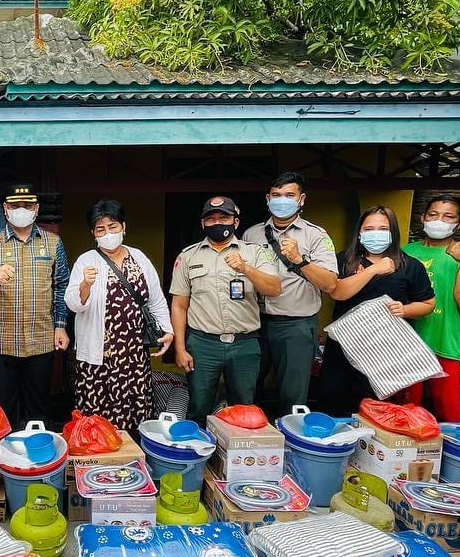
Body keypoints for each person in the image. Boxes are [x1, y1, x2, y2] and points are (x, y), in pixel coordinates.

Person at [0, 184, 71, 424]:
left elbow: (62, 285)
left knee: (39, 407)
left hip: (41, 340)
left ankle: (37, 456)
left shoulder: (53, 243)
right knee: (4, 408)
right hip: (2, 342)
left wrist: (61, 324)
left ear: (36, 209)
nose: (20, 210)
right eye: (14, 206)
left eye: (27, 206)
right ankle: (7, 458)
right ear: (5, 209)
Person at [65, 200, 174, 431]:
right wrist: (85, 284)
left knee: (136, 411)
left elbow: (155, 299)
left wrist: (168, 330)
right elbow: (73, 303)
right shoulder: (86, 260)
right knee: (96, 415)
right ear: (93, 233)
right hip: (98, 356)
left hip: (133, 354)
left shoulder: (139, 258)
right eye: (100, 229)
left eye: (112, 226)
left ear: (123, 227)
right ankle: (99, 460)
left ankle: (132, 456)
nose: (107, 233)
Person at [314, 206, 436, 412]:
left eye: (383, 228)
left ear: (393, 233)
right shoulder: (344, 260)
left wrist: (405, 310)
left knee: (374, 408)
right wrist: (372, 270)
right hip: (343, 346)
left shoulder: (411, 266)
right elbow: (337, 292)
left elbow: (428, 303)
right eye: (369, 229)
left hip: (383, 351)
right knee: (333, 400)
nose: (376, 234)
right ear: (359, 233)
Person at [170, 197, 283, 419]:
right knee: (199, 408)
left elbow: (274, 288)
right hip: (202, 345)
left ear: (236, 222)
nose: (217, 223)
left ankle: (236, 454)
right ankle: (199, 451)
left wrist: (245, 268)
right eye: (210, 219)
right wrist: (180, 349)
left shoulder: (256, 253)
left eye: (224, 217)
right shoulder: (188, 256)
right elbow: (179, 305)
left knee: (243, 410)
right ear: (203, 224)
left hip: (244, 344)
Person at [241, 173, 340, 407]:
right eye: (276, 195)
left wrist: (299, 259)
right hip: (255, 323)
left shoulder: (316, 235)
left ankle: (290, 436)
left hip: (295, 326)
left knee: (292, 394)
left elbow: (330, 284)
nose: (281, 200)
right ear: (267, 199)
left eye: (289, 195)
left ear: (301, 199)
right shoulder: (251, 234)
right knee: (246, 389)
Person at [401, 195, 460, 422]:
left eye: (448, 216)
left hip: (446, 343)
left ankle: (448, 457)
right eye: (433, 215)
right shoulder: (405, 252)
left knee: (448, 417)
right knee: (406, 413)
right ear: (423, 218)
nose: (439, 221)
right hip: (406, 345)